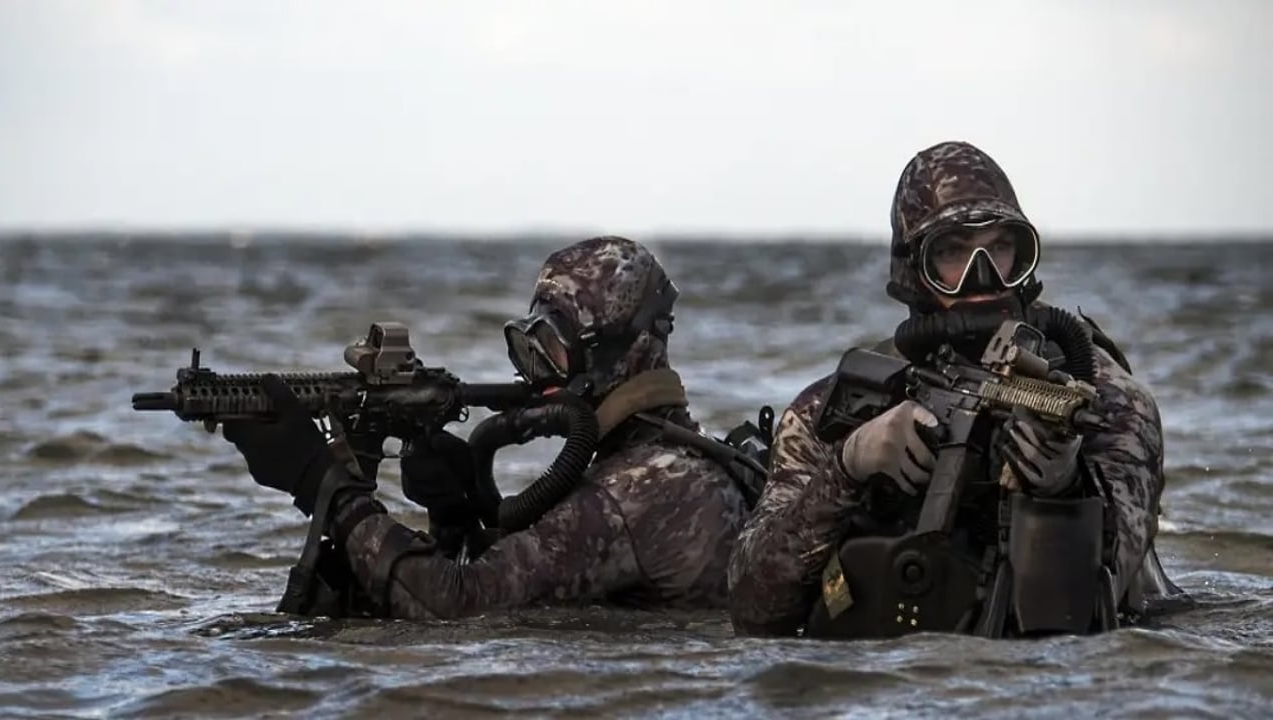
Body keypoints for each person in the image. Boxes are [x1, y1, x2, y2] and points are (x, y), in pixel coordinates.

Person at [727, 140, 1181, 638]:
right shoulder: (837, 404)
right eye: (951, 252)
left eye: (1001, 248)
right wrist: (846, 468)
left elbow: (1104, 607)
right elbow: (752, 608)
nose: (983, 275)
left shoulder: (1109, 400)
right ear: (913, 270)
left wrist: (1066, 490)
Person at [222, 236, 754, 620]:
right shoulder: (672, 466)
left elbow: (452, 605)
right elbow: (534, 584)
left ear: (616, 352)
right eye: (528, 347)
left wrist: (323, 484)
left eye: (552, 347)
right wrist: (458, 516)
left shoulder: (637, 491)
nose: (537, 372)